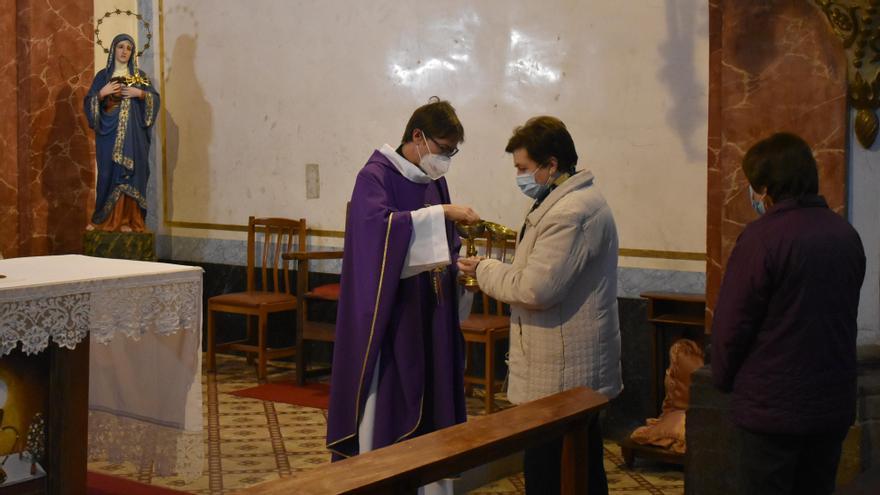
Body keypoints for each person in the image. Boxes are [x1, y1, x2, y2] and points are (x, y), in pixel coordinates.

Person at [458, 116, 622, 495]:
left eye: (523, 168)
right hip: (559, 362)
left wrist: (483, 268)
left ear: (551, 164)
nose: (519, 177)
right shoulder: (561, 201)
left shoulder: (571, 212)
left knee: (552, 472)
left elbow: (536, 288)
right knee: (576, 466)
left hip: (563, 368)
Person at [326, 98, 479, 492]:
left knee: (435, 394)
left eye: (450, 152)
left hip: (432, 307)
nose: (444, 159)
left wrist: (457, 260)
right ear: (417, 136)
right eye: (443, 149)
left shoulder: (432, 179)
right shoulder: (374, 176)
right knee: (394, 397)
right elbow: (376, 234)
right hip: (391, 315)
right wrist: (441, 214)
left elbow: (444, 241)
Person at [711, 132, 866, 495]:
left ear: (766, 187)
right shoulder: (845, 234)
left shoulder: (762, 239)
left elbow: (733, 324)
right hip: (830, 403)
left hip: (772, 409)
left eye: (753, 185)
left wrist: (722, 376)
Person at [83, 33, 159, 232]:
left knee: (131, 174)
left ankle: (129, 220)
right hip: (108, 134)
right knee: (108, 174)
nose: (125, 51)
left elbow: (154, 100)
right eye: (121, 47)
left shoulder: (139, 77)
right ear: (113, 49)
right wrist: (102, 93)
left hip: (133, 137)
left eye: (129, 48)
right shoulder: (103, 76)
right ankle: (103, 219)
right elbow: (89, 102)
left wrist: (140, 93)